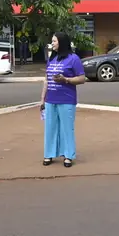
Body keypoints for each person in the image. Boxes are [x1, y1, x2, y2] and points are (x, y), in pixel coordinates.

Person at [40, 32, 86, 168]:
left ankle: (68, 155)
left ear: (62, 42)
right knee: (50, 128)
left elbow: (82, 78)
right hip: (50, 100)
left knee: (67, 128)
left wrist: (66, 79)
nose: (52, 43)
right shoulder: (52, 59)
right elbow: (46, 79)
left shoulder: (73, 59)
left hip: (67, 100)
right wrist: (42, 98)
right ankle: (49, 154)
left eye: (54, 41)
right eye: (52, 41)